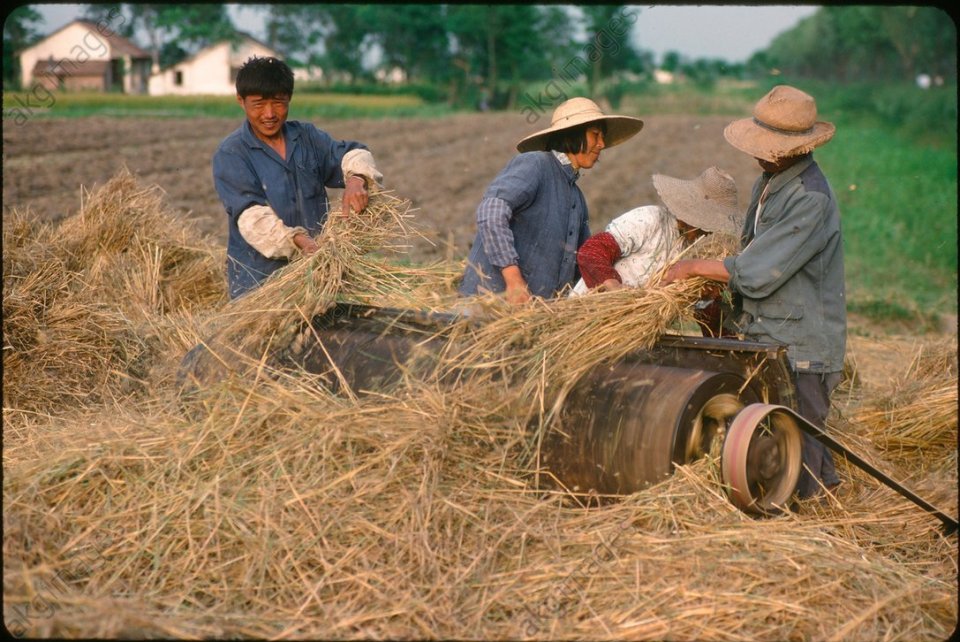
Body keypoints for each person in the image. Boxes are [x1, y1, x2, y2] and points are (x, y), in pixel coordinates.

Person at [663, 85, 846, 500]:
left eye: (764, 146)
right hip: (771, 329)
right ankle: (810, 494)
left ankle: (811, 520)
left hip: (802, 341)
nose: (754, 153)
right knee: (784, 431)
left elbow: (759, 271)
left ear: (789, 149)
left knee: (803, 437)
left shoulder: (808, 198)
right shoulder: (772, 182)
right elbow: (751, 248)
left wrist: (691, 267)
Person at [212, 56, 383, 299]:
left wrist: (357, 180)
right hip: (261, 285)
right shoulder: (232, 153)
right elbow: (252, 218)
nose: (270, 114)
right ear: (241, 101)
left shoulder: (307, 138)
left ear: (289, 98)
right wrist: (300, 242)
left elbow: (353, 153)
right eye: (258, 105)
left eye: (279, 103)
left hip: (317, 276)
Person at [458, 97, 643, 304]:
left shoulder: (577, 198)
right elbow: (491, 212)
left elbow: (581, 260)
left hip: (532, 316)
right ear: (573, 132)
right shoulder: (535, 165)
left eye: (603, 137)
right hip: (488, 305)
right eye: (595, 135)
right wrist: (514, 281)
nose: (601, 144)